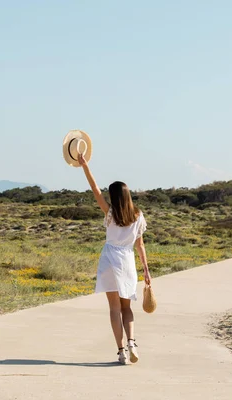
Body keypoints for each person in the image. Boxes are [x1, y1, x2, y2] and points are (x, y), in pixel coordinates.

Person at [78, 152, 152, 365]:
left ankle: (120, 352)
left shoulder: (110, 213)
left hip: (110, 259)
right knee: (127, 307)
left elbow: (94, 189)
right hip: (127, 261)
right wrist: (146, 269)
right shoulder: (138, 216)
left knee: (114, 308)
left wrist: (85, 166)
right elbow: (140, 245)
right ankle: (132, 343)